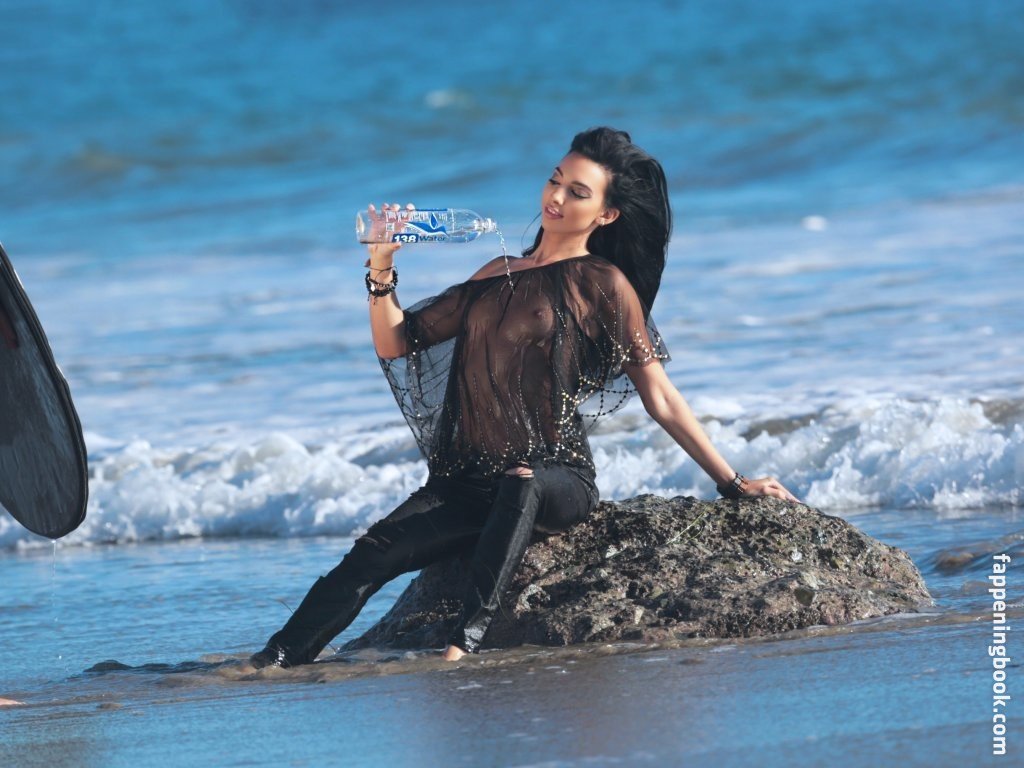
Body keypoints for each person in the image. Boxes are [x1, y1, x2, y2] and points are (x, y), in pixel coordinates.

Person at [248, 127, 799, 669]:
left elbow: (659, 395)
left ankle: (464, 645)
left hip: (556, 477)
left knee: (523, 479)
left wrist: (732, 482)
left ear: (607, 214)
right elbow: (398, 341)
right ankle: (272, 659)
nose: (556, 197)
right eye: (555, 180)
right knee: (371, 553)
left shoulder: (602, 283)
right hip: (467, 484)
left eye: (577, 192)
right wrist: (381, 265)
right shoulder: (497, 273)